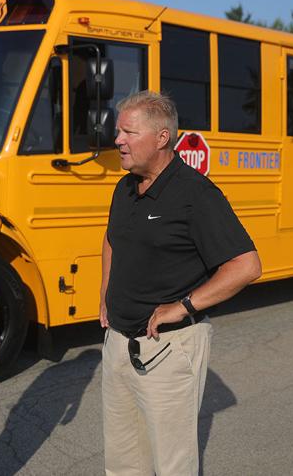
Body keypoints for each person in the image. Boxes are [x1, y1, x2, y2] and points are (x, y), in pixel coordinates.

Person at [99, 90, 262, 475]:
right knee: (121, 463)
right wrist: (105, 294)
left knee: (171, 465)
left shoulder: (196, 194)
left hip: (168, 350)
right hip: (118, 345)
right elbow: (110, 238)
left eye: (128, 132)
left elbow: (245, 266)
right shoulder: (125, 186)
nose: (117, 139)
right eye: (117, 130)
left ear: (161, 138)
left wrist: (183, 306)